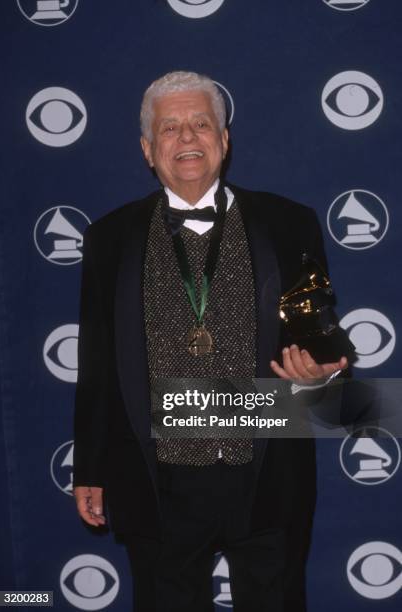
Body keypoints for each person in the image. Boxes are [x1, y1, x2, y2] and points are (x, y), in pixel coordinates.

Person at [73, 70, 348, 612]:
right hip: (157, 477)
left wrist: (325, 371)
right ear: (148, 150)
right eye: (170, 128)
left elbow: (319, 332)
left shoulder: (289, 223)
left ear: (224, 141)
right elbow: (98, 362)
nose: (187, 138)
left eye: (201, 124)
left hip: (266, 472)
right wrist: (91, 467)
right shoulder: (109, 238)